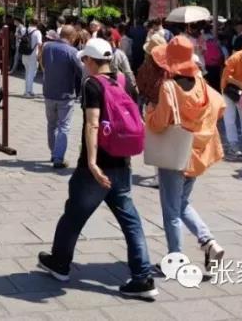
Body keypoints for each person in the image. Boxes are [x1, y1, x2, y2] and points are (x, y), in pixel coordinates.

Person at [38, 38, 156, 300]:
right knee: (131, 221)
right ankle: (142, 277)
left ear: (91, 61)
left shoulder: (92, 85)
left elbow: (92, 124)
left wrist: (91, 162)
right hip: (122, 164)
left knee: (74, 216)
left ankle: (60, 263)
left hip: (96, 167)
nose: (83, 64)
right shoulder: (122, 82)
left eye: (85, 60)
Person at [144, 35, 226, 274]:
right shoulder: (200, 82)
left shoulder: (169, 87)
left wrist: (149, 112)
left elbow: (159, 124)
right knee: (180, 203)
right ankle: (208, 242)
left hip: (175, 154)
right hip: (197, 152)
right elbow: (220, 105)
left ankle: (176, 258)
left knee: (171, 209)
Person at [40, 25, 84, 168]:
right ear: (71, 37)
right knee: (64, 126)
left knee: (51, 124)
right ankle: (58, 158)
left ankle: (53, 153)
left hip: (49, 91)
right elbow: (81, 71)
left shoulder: (47, 47)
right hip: (65, 93)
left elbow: (43, 64)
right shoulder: (72, 51)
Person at [23, 22, 44, 97]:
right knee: (31, 74)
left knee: (27, 73)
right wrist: (40, 54)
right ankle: (28, 92)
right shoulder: (37, 32)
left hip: (24, 54)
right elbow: (39, 43)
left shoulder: (25, 30)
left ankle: (28, 90)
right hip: (32, 55)